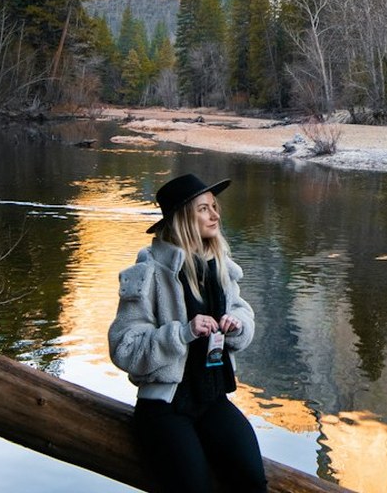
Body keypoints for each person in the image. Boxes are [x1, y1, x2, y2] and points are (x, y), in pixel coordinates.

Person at [108, 173, 268, 493]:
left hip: (212, 399)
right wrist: (181, 333)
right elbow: (124, 348)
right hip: (164, 408)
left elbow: (244, 315)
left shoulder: (220, 265)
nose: (215, 215)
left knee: (253, 479)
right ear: (183, 217)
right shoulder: (147, 272)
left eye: (214, 207)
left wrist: (235, 326)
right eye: (204, 209)